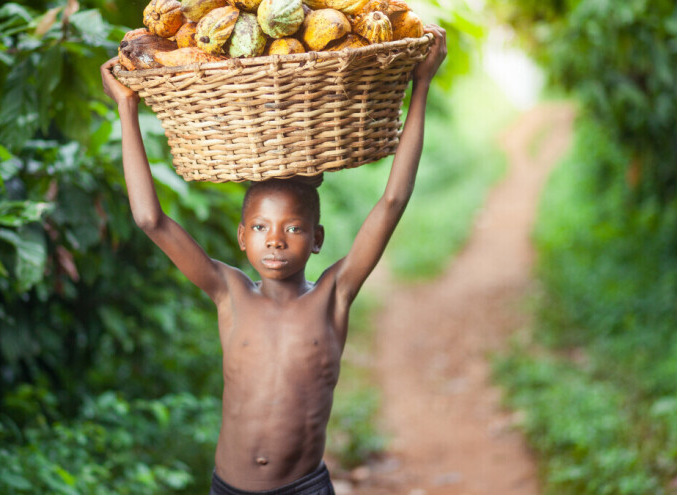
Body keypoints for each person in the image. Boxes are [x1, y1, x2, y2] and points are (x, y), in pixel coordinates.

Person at [100, 25, 447, 495]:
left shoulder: (333, 296)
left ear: (317, 238)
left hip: (304, 487)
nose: (276, 241)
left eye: (294, 228)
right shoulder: (229, 293)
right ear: (242, 238)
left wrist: (421, 85)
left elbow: (392, 201)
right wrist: (127, 107)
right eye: (261, 227)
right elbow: (149, 220)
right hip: (229, 487)